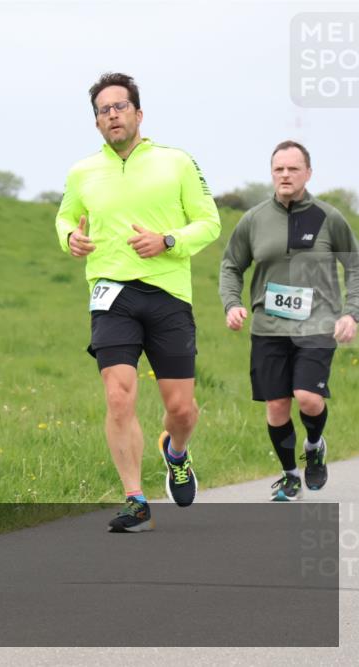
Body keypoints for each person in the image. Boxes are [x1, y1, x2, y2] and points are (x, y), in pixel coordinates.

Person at [54, 72, 221, 533]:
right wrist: (70, 236)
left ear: (138, 113)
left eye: (120, 106)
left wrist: (168, 240)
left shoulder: (177, 162)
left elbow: (209, 222)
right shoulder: (82, 171)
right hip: (112, 294)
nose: (112, 115)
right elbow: (65, 215)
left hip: (168, 293)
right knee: (118, 394)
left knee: (182, 409)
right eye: (104, 110)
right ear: (97, 122)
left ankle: (176, 452)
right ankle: (135, 499)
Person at [219, 140, 358, 501]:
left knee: (308, 398)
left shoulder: (330, 218)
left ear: (308, 173)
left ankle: (314, 446)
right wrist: (231, 304)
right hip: (269, 328)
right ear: (271, 173)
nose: (285, 175)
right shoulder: (253, 220)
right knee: (278, 406)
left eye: (293, 169)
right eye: (279, 169)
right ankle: (290, 475)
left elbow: (354, 265)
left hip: (317, 326)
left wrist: (352, 312)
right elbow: (231, 265)